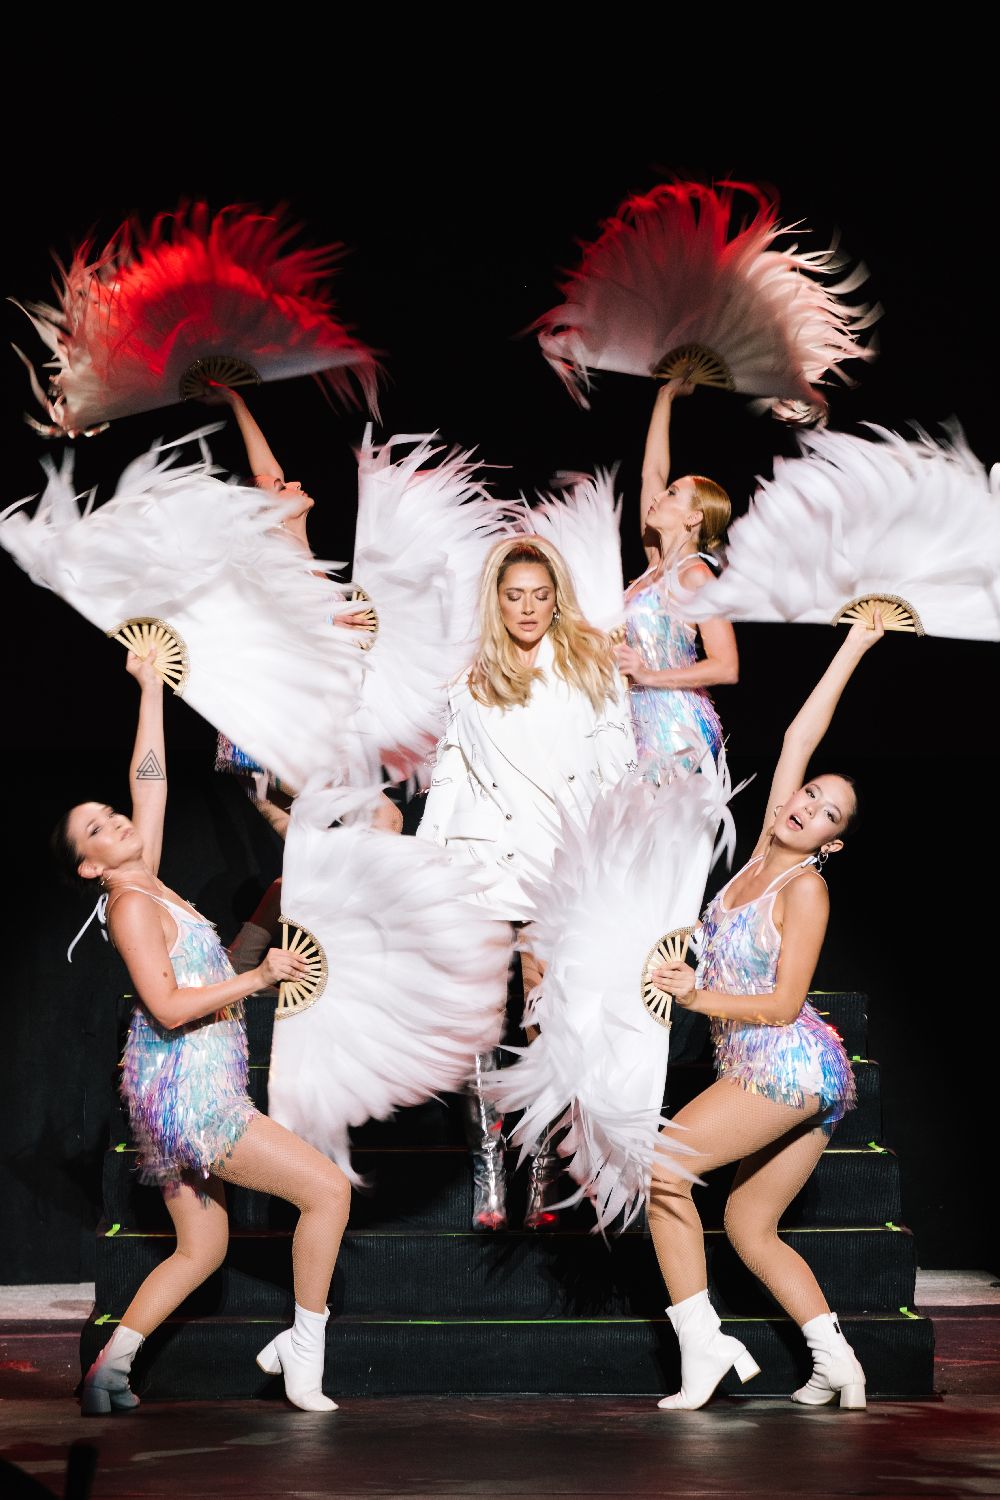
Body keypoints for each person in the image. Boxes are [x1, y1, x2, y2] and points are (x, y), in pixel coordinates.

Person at [56, 650, 351, 1414]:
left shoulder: (146, 879)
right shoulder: (129, 905)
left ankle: (109, 1372)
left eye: (110, 814)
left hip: (174, 1090)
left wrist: (151, 688)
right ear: (89, 867)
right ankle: (303, 1351)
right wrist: (258, 977)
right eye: (97, 829)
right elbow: (166, 1005)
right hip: (193, 1096)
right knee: (325, 1192)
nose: (117, 821)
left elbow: (148, 783)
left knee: (202, 1247)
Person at [646, 614, 884, 1411]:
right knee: (750, 1225)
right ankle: (838, 1363)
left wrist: (695, 995)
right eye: (809, 794)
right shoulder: (756, 860)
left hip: (788, 1064)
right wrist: (855, 644)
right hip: (782, 1069)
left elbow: (783, 1006)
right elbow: (797, 735)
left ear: (831, 843)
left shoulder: (804, 887)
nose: (807, 806)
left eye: (826, 813)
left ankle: (702, 1347)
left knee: (663, 1172)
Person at [418, 535, 637, 1230]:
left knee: (548, 1015)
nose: (528, 608)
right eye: (515, 595)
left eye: (541, 595)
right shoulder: (468, 680)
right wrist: (426, 863)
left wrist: (617, 858)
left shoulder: (592, 670)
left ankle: (540, 1163)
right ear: (496, 600)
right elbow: (449, 776)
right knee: (481, 1020)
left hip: (561, 859)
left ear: (557, 599)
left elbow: (619, 769)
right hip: (483, 859)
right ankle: (489, 1168)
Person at [204, 382, 402, 838]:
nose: (293, 482)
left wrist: (236, 402)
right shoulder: (270, 561)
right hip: (275, 732)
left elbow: (268, 472)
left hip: (293, 732)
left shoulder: (305, 563)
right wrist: (328, 624)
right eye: (281, 487)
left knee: (317, 847)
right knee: (382, 821)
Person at [614, 380, 739, 777]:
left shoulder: (697, 576)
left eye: (671, 494)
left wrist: (649, 675)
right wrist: (665, 396)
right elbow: (651, 471)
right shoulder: (654, 564)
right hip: (634, 717)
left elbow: (726, 666)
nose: (658, 497)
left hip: (675, 728)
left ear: (693, 517)